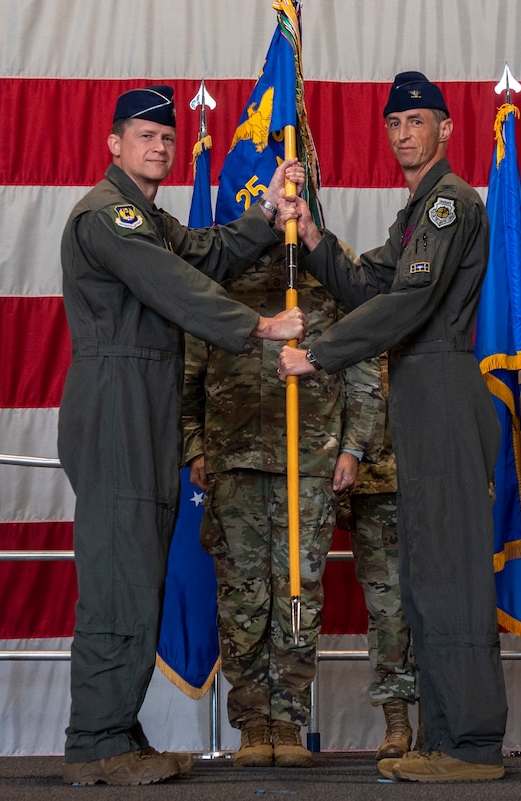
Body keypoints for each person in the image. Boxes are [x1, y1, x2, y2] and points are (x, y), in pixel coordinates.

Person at [57, 84, 307, 787]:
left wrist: (266, 214)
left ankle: (114, 727)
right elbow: (174, 281)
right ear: (113, 143)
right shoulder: (108, 216)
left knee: (136, 572)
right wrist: (257, 326)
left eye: (166, 137)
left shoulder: (148, 218)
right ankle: (96, 740)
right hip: (114, 406)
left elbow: (206, 250)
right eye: (144, 135)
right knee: (118, 576)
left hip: (143, 404)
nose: (160, 146)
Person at [277, 71, 507, 782]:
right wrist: (312, 238)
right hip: (419, 392)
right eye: (395, 124)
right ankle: (445, 735)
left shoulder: (448, 206)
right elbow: (368, 282)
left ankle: (468, 743)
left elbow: (405, 302)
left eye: (417, 121)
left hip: (441, 383)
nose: (404, 134)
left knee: (451, 573)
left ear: (446, 130)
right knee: (425, 576)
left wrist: (318, 353)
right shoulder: (415, 212)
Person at [181, 243, 381, 769]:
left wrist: (354, 446)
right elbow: (187, 375)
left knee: (299, 593)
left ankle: (288, 719)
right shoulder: (221, 282)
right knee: (242, 600)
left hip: (309, 463)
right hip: (236, 462)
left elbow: (363, 363)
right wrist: (194, 444)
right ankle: (252, 723)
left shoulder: (332, 278)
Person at [337, 357, 419, 761]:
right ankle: (397, 721)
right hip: (373, 492)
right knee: (388, 614)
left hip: (432, 489)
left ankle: (441, 720)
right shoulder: (354, 334)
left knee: (438, 609)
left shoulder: (432, 330)